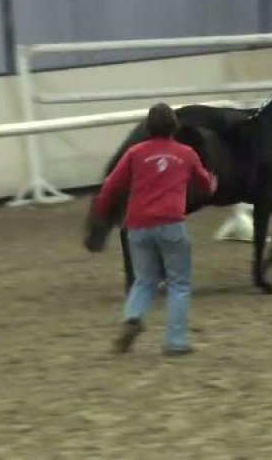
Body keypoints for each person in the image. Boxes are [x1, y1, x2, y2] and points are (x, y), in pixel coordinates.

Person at [87, 103, 217, 356]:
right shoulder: (186, 153)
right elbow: (204, 185)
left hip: (138, 226)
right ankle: (175, 341)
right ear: (174, 127)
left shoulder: (135, 153)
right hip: (171, 224)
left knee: (144, 280)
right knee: (179, 283)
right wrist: (212, 181)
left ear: (148, 127)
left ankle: (133, 317)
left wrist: (102, 211)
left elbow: (111, 185)